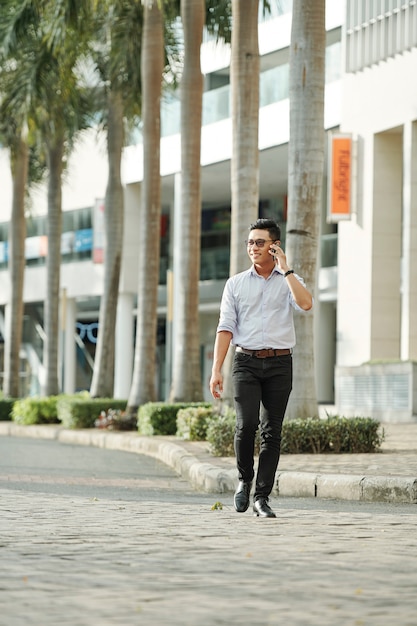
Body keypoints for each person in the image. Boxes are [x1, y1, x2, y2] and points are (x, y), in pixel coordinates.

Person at [209, 218, 313, 518]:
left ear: (274, 246)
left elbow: (306, 304)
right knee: (246, 426)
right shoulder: (236, 284)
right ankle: (244, 480)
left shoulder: (288, 280)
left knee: (272, 431)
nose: (252, 247)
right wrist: (217, 369)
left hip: (281, 362)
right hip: (246, 363)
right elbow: (225, 327)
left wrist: (287, 269)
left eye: (259, 242)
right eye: (250, 242)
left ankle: (262, 497)